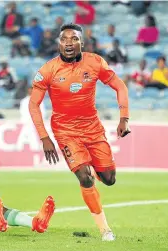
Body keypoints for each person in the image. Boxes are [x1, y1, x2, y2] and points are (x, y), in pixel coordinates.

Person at [29, 23, 131, 241]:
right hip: (65, 131)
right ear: (58, 43)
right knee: (84, 178)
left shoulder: (95, 62)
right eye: (64, 39)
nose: (68, 43)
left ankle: (93, 170)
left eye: (74, 39)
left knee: (110, 179)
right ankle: (105, 229)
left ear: (81, 43)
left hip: (92, 128)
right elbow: (33, 105)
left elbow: (120, 86)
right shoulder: (47, 70)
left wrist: (124, 118)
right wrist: (45, 137)